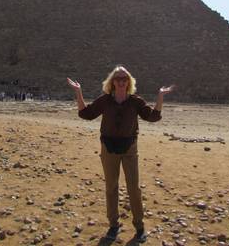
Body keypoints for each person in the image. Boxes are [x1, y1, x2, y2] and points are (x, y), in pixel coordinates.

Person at [67, 65, 174, 243]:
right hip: (108, 148)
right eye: (118, 78)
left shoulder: (136, 101)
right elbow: (86, 114)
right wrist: (79, 92)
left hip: (130, 148)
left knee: (134, 188)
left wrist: (160, 96)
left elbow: (153, 117)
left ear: (129, 81)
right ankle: (113, 225)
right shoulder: (105, 101)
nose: (121, 81)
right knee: (111, 187)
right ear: (112, 82)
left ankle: (139, 227)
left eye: (125, 78)